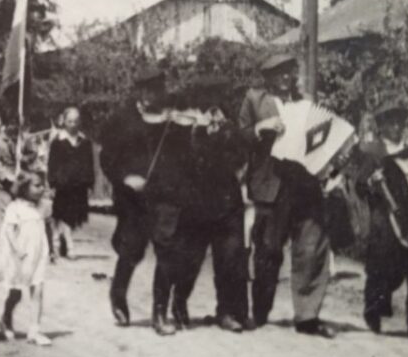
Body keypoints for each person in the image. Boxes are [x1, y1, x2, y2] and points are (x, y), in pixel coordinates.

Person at [238, 54, 334, 338]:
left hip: (304, 185)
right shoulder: (254, 100)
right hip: (271, 185)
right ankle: (260, 311)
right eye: (278, 73)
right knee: (268, 251)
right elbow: (240, 137)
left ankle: (307, 316)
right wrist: (260, 128)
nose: (284, 78)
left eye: (288, 72)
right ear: (267, 77)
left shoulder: (306, 102)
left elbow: (320, 139)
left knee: (311, 248)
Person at [165, 75, 251, 333]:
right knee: (191, 259)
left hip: (227, 203)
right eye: (207, 99)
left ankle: (226, 312)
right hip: (197, 204)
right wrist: (200, 132)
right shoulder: (187, 126)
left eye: (217, 98)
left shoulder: (229, 126)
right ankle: (179, 303)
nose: (213, 105)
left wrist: (225, 133)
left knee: (230, 259)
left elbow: (239, 158)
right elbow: (187, 160)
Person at [99, 68, 177, 333]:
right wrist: (125, 178)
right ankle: (118, 293)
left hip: (164, 195)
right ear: (141, 92)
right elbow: (107, 158)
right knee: (132, 250)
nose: (157, 95)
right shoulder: (122, 119)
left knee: (166, 250)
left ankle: (160, 313)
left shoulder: (170, 119)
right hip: (132, 199)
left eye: (160, 90)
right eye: (151, 90)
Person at [357, 102, 408, 347]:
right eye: (391, 123)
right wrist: (371, 182)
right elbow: (360, 185)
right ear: (381, 127)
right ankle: (373, 308)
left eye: (400, 122)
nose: (397, 127)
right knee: (384, 270)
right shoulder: (373, 153)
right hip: (386, 222)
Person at [0, 169, 52, 346]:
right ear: (24, 187)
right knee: (16, 293)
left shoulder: (43, 206)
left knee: (38, 290)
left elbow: (46, 228)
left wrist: (52, 249)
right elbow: (9, 231)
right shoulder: (15, 207)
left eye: (43, 185)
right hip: (19, 255)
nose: (42, 189)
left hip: (38, 254)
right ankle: (5, 317)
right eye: (37, 185)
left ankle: (34, 331)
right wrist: (18, 250)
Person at [47, 107, 95, 260]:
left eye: (76, 121)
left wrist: (90, 184)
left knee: (74, 215)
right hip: (62, 184)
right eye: (69, 121)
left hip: (79, 184)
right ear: (64, 122)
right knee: (62, 214)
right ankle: (67, 246)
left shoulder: (84, 142)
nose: (73, 124)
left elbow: (89, 164)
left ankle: (58, 241)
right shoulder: (58, 142)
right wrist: (52, 183)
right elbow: (52, 164)